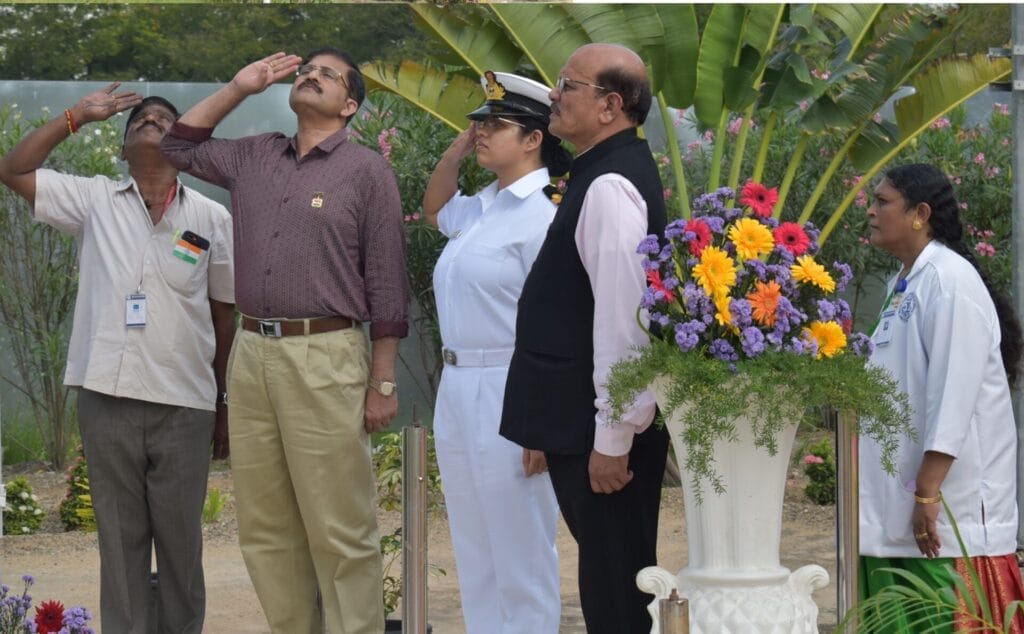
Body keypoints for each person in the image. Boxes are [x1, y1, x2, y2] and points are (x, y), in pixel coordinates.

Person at [160, 48, 408, 634]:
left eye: (328, 74)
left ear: (350, 106)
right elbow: (177, 146)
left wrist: (382, 380)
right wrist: (239, 86)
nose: (311, 75)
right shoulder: (254, 155)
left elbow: (387, 281)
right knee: (266, 527)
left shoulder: (366, 170)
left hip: (326, 353)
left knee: (339, 526)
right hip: (252, 353)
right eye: (307, 70)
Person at [0, 87, 235, 633]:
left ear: (184, 147)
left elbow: (224, 317)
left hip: (185, 405)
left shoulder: (212, 218)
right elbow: (13, 170)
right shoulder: (93, 200)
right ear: (123, 149)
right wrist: (76, 116)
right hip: (107, 400)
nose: (151, 119)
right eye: (141, 119)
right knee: (120, 545)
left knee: (182, 548)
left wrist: (223, 404)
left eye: (165, 119)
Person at [499, 43, 670, 634]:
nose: (553, 95)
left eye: (567, 85)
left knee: (617, 587)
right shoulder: (597, 171)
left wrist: (614, 437)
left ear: (609, 106)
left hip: (602, 435)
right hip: (576, 423)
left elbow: (624, 323)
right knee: (606, 578)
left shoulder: (610, 186)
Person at [422, 71, 571, 633]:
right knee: (475, 542)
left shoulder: (546, 215)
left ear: (533, 138)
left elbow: (559, 324)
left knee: (520, 545)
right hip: (459, 385)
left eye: (495, 125)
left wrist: (543, 420)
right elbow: (434, 210)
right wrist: (457, 151)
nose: (481, 131)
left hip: (512, 384)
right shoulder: (482, 207)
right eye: (479, 123)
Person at [859, 163, 1024, 631]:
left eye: (883, 202)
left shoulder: (950, 281)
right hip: (896, 512)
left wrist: (928, 491)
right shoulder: (903, 282)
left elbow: (954, 395)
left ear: (921, 214)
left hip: (948, 518)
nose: (871, 211)